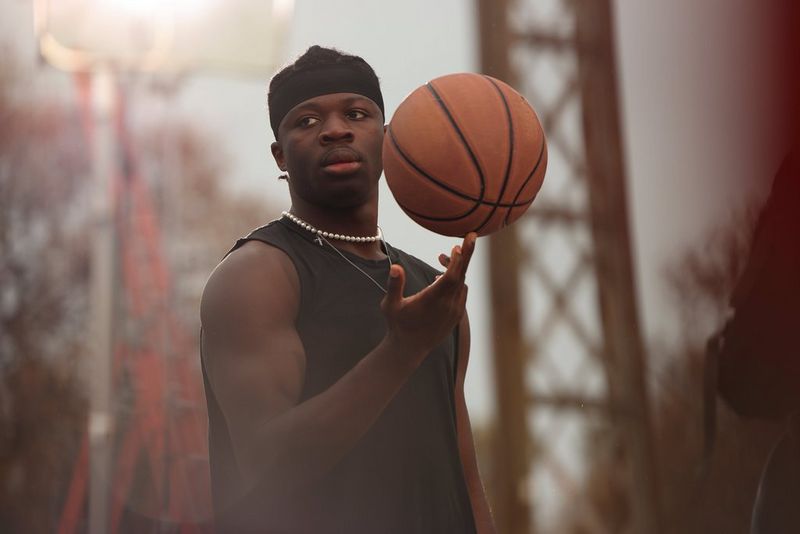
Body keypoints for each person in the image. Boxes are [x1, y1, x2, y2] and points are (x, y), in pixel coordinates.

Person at [200, 45, 495, 533]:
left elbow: (463, 475)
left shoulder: (433, 291)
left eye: (356, 114)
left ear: (386, 138)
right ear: (280, 154)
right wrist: (401, 351)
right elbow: (266, 470)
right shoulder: (257, 276)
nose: (335, 129)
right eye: (307, 121)